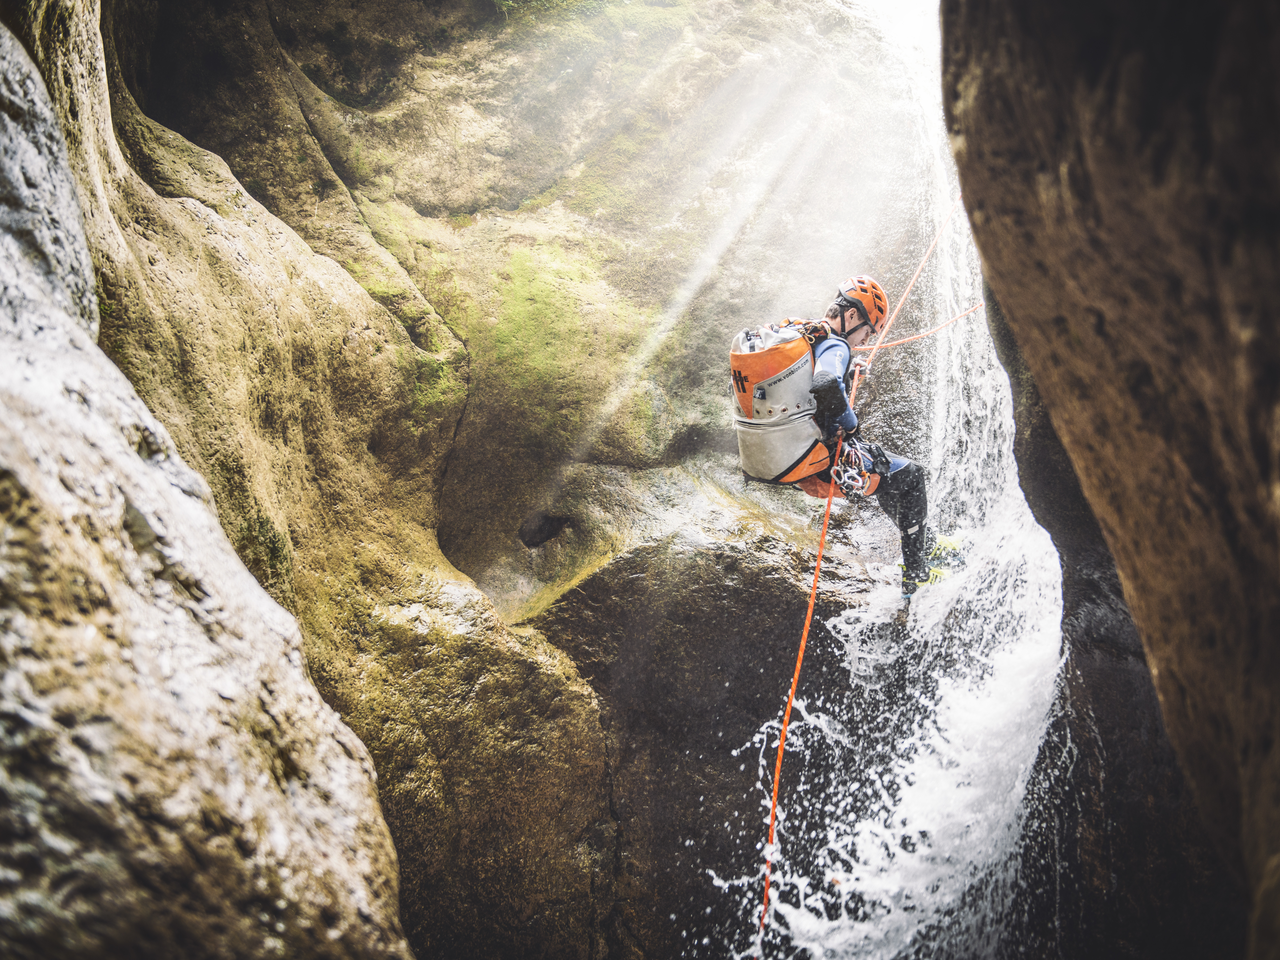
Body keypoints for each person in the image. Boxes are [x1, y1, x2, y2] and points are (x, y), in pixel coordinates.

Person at [730, 276, 943, 597]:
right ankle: (918, 573)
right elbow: (826, 382)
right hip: (809, 460)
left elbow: (806, 378)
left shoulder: (800, 329)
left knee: (886, 475)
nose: (863, 340)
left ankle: (922, 543)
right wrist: (851, 423)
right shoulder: (836, 343)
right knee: (911, 478)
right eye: (868, 331)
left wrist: (848, 365)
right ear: (854, 316)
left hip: (761, 459)